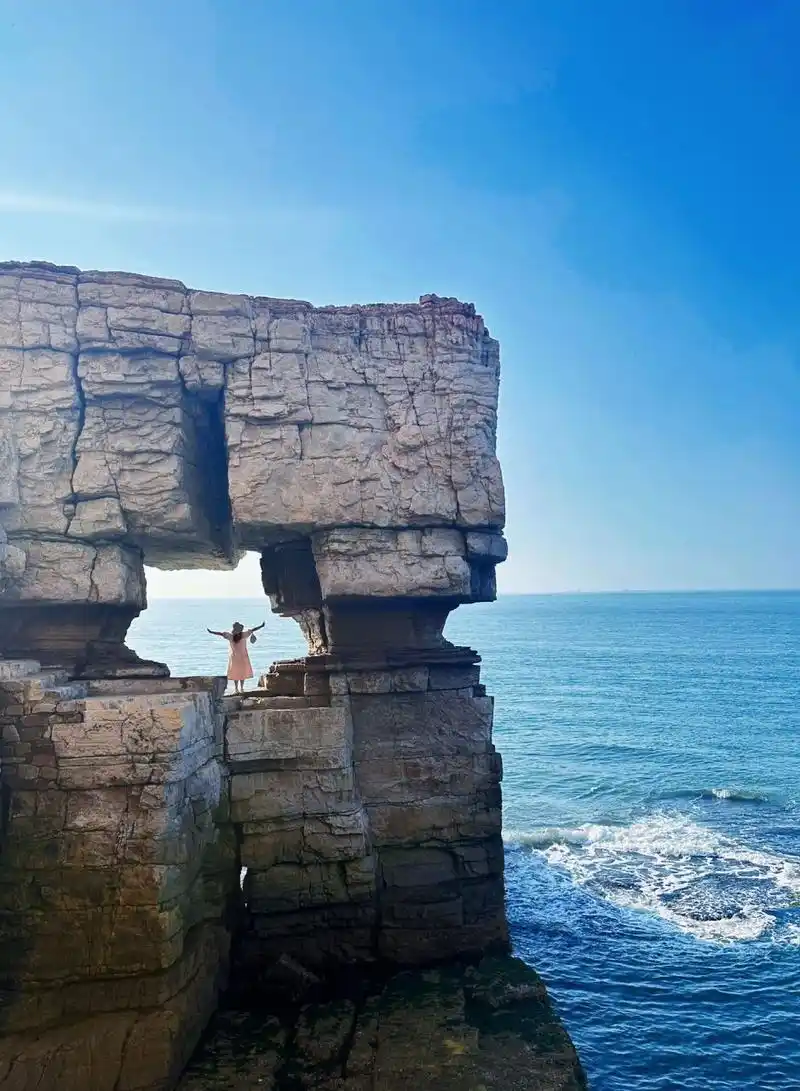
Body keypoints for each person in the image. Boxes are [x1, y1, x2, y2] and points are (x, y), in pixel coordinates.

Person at [207, 620, 265, 694]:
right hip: (243, 657)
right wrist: (261, 626)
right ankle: (241, 688)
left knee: (235, 673)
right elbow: (254, 629)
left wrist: (211, 632)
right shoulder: (244, 634)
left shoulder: (230, 636)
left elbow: (220, 634)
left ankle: (236, 689)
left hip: (234, 658)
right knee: (242, 673)